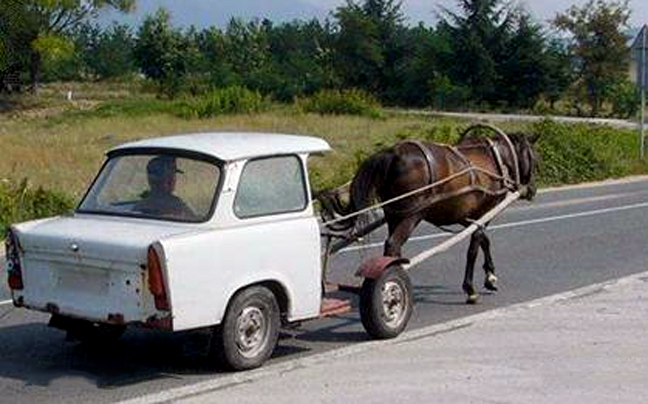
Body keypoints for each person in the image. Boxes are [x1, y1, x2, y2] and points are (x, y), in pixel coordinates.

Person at [135, 156, 197, 220]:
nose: (175, 180)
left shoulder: (141, 205)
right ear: (169, 181)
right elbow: (194, 219)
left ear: (149, 181)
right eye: (174, 176)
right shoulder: (177, 205)